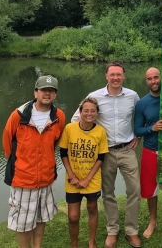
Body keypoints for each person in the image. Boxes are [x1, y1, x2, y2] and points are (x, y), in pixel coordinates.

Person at [72, 61, 141, 248]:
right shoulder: (94, 97)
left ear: (124, 76)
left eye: (119, 74)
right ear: (106, 76)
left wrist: (139, 135)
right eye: (112, 74)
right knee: (108, 193)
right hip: (105, 153)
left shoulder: (132, 96)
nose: (116, 78)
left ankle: (131, 230)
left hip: (127, 149)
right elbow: (76, 119)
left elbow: (141, 115)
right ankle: (112, 230)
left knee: (134, 190)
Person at [2, 75, 65, 248]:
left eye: (51, 91)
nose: (47, 93)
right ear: (35, 92)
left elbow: (55, 143)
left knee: (40, 216)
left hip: (45, 177)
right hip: (23, 179)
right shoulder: (18, 115)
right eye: (43, 90)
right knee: (23, 222)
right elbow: (8, 144)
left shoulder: (58, 116)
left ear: (55, 94)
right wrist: (22, 165)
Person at [134, 67, 162, 239]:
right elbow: (137, 129)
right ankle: (152, 221)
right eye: (149, 79)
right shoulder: (142, 104)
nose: (153, 81)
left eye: (156, 77)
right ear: (146, 81)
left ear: (161, 77)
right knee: (149, 189)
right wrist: (151, 128)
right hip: (150, 150)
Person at [60, 97, 109, 248]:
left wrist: (87, 179)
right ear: (80, 112)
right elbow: (63, 153)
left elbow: (101, 157)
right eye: (86, 110)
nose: (89, 114)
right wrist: (72, 176)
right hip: (72, 180)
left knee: (92, 209)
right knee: (73, 217)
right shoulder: (69, 128)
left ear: (97, 113)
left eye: (92, 111)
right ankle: (74, 244)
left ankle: (91, 242)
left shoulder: (100, 131)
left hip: (92, 179)